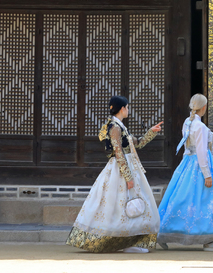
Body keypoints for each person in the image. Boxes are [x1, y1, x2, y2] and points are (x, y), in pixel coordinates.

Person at [66, 95, 163, 253]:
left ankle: (130, 240)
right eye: (127, 107)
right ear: (123, 108)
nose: (128, 110)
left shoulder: (119, 126)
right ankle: (126, 242)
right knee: (121, 205)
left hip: (128, 166)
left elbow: (136, 144)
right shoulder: (115, 127)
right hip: (120, 169)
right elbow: (118, 153)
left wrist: (151, 132)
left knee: (128, 204)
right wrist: (128, 176)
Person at [157, 94, 213, 251]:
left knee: (181, 198)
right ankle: (210, 239)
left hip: (188, 163)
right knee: (209, 200)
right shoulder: (199, 127)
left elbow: (188, 147)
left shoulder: (188, 122)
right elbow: (201, 151)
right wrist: (207, 174)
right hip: (200, 164)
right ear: (204, 108)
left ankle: (163, 232)